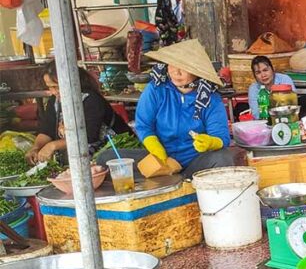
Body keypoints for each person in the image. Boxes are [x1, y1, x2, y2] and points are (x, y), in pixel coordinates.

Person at [97, 39, 233, 178]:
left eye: (184, 67)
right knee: (106, 158)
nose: (176, 72)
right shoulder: (156, 90)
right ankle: (164, 178)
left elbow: (221, 136)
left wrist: (211, 142)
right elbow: (143, 125)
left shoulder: (210, 98)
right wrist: (154, 146)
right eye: (172, 65)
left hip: (196, 162)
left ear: (197, 71)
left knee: (223, 158)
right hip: (161, 159)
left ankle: (185, 181)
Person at [28, 63, 129, 164]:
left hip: (115, 153)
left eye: (56, 87)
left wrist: (53, 145)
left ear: (71, 82)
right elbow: (47, 129)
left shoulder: (91, 99)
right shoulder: (55, 101)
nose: (54, 92)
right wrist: (36, 148)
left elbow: (88, 136)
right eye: (50, 87)